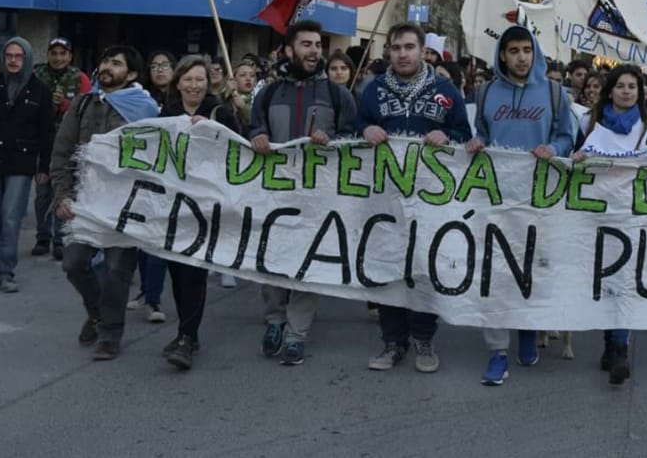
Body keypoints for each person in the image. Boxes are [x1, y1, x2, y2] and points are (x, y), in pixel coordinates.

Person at [466, 25, 577, 386]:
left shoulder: (554, 92)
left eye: (526, 50)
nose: (521, 57)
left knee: (534, 269)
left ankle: (528, 328)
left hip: (540, 199)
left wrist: (555, 150)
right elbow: (482, 130)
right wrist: (477, 142)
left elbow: (566, 136)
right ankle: (497, 352)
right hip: (496, 198)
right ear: (502, 55)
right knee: (495, 274)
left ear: (535, 52)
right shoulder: (485, 93)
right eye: (513, 51)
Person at [358, 23, 470, 376]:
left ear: (423, 51)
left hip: (430, 201)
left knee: (424, 266)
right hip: (384, 199)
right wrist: (364, 130)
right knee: (388, 266)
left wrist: (446, 133)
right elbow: (349, 131)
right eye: (396, 48)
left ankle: (423, 337)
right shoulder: (373, 91)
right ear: (388, 52)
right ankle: (393, 341)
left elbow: (465, 135)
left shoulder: (445, 89)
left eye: (409, 47)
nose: (402, 53)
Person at [247, 20, 357, 367]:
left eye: (317, 45)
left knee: (307, 265)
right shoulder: (267, 93)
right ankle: (275, 322)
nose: (314, 51)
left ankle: (296, 335)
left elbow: (352, 141)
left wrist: (333, 143)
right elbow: (252, 128)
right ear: (289, 50)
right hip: (276, 194)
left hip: (317, 196)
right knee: (271, 262)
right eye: (306, 44)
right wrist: (259, 134)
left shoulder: (338, 95)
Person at [52, 45, 160, 360]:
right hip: (86, 200)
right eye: (104, 60)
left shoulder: (146, 110)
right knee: (73, 262)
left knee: (117, 270)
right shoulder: (83, 105)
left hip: (125, 205)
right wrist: (62, 194)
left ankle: (110, 334)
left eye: (115, 63)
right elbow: (62, 151)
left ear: (133, 74)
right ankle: (98, 312)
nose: (106, 67)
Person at [571, 64, 647, 387]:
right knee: (605, 281)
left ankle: (620, 350)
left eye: (633, 86)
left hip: (633, 217)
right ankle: (608, 345)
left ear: (640, 92)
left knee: (625, 281)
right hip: (598, 216)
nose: (627, 91)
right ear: (609, 90)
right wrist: (577, 158)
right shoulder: (591, 123)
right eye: (621, 86)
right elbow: (574, 158)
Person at [158, 55, 241, 370]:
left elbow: (239, 151)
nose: (194, 85)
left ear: (209, 83)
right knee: (177, 272)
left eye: (200, 80)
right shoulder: (166, 114)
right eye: (188, 79)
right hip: (172, 206)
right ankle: (186, 331)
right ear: (178, 82)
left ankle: (187, 338)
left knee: (194, 269)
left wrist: (214, 131)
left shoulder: (220, 113)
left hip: (206, 206)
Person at [0, 37, 54, 292]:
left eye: (18, 56)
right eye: (9, 56)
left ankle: (6, 271)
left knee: (11, 217)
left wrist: (44, 167)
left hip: (21, 162)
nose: (13, 61)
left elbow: (47, 133)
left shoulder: (40, 91)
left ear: (26, 59)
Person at [32, 36, 91, 260]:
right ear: (48, 55)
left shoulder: (80, 78)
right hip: (42, 142)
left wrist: (66, 105)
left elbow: (87, 108)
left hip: (69, 143)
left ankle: (60, 239)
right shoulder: (36, 75)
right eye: (54, 53)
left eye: (62, 53)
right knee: (42, 191)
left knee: (64, 190)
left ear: (70, 56)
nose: (58, 58)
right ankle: (42, 236)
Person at [131, 49, 176, 319]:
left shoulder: (181, 99)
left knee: (158, 240)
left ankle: (154, 299)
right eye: (155, 65)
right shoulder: (139, 99)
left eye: (165, 65)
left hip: (170, 180)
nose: (160, 70)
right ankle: (145, 289)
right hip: (144, 176)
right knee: (141, 239)